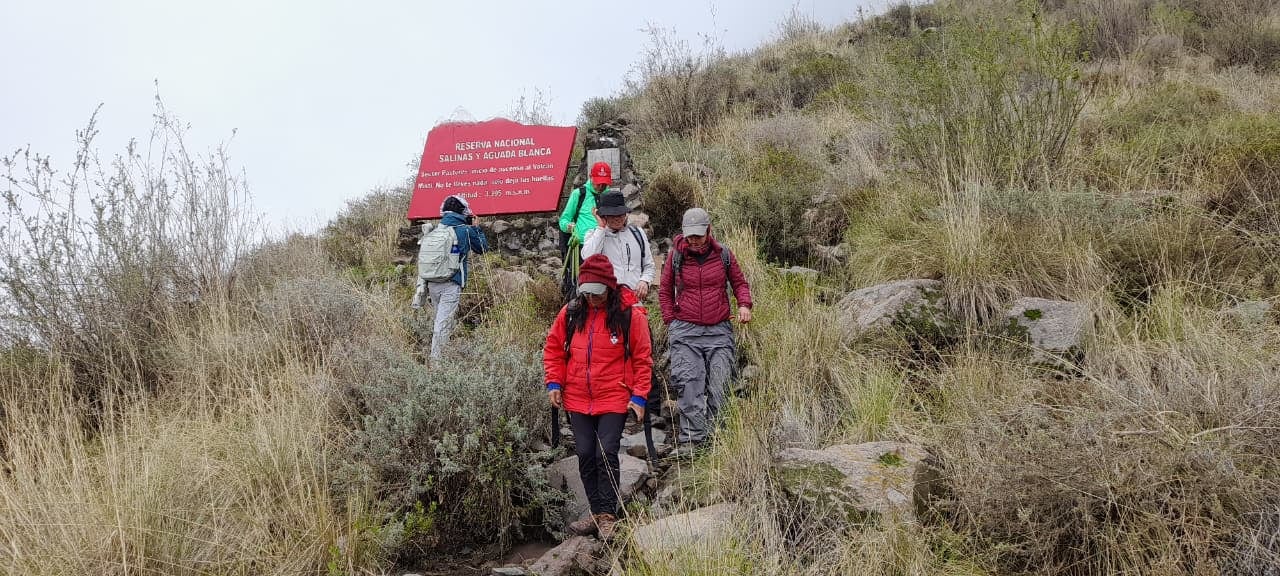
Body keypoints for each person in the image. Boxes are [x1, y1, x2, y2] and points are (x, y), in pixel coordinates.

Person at [543, 254, 653, 540]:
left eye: (597, 292)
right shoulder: (571, 312)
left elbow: (643, 359)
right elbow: (554, 349)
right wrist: (554, 382)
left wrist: (639, 397)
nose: (592, 298)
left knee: (606, 453)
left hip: (614, 397)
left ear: (609, 286)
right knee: (585, 455)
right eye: (587, 292)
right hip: (577, 398)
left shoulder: (630, 315)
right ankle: (595, 511)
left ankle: (608, 515)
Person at [657, 208, 752, 452]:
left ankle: (716, 437)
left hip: (719, 331)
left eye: (699, 235)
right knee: (690, 384)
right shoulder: (675, 256)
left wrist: (744, 305)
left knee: (720, 386)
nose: (694, 240)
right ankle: (692, 440)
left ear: (709, 231)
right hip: (686, 332)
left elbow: (739, 283)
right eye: (690, 236)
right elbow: (665, 290)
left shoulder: (724, 255)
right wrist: (672, 321)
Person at [416, 194, 488, 359]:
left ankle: (440, 356)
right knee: (443, 324)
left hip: (431, 282)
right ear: (463, 212)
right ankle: (437, 365)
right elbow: (483, 248)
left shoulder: (434, 230)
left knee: (439, 321)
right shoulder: (465, 231)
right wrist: (477, 228)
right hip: (451, 283)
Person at [581, 190, 654, 308]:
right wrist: (601, 228)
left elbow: (649, 265)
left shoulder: (638, 233)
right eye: (612, 215)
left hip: (635, 303)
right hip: (607, 304)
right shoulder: (594, 235)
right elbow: (588, 258)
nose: (618, 218)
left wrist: (645, 281)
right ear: (603, 215)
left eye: (621, 214)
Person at [558, 162, 613, 300]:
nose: (601, 186)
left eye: (604, 183)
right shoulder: (579, 194)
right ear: (590, 177)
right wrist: (570, 227)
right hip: (581, 247)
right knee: (580, 285)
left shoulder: (609, 196)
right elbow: (563, 220)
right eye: (598, 183)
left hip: (604, 247)